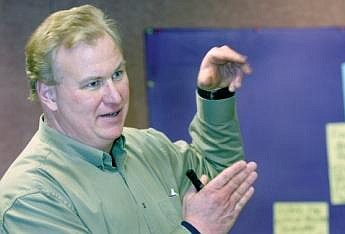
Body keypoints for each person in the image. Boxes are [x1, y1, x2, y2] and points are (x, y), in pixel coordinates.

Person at [0, 4, 257, 234]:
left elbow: (223, 187)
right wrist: (195, 230)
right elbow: (204, 222)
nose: (115, 96)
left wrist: (216, 95)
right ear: (49, 94)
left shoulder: (150, 148)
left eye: (118, 73)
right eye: (93, 83)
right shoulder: (31, 197)